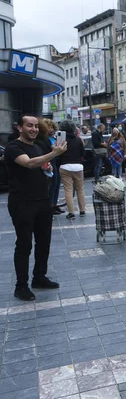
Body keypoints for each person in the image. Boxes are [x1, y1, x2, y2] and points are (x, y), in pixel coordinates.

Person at [4, 115, 67, 301]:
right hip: (22, 202)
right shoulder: (14, 147)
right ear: (19, 128)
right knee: (24, 245)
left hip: (43, 201)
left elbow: (43, 163)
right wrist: (54, 154)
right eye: (29, 126)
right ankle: (21, 286)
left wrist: (50, 160)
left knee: (44, 242)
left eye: (35, 126)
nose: (33, 129)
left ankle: (39, 277)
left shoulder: (38, 145)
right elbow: (30, 163)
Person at [57, 120, 86, 220]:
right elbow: (83, 154)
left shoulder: (61, 140)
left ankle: (71, 212)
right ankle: (82, 210)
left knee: (68, 190)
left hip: (65, 166)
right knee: (80, 189)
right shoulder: (78, 140)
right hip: (78, 166)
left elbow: (57, 154)